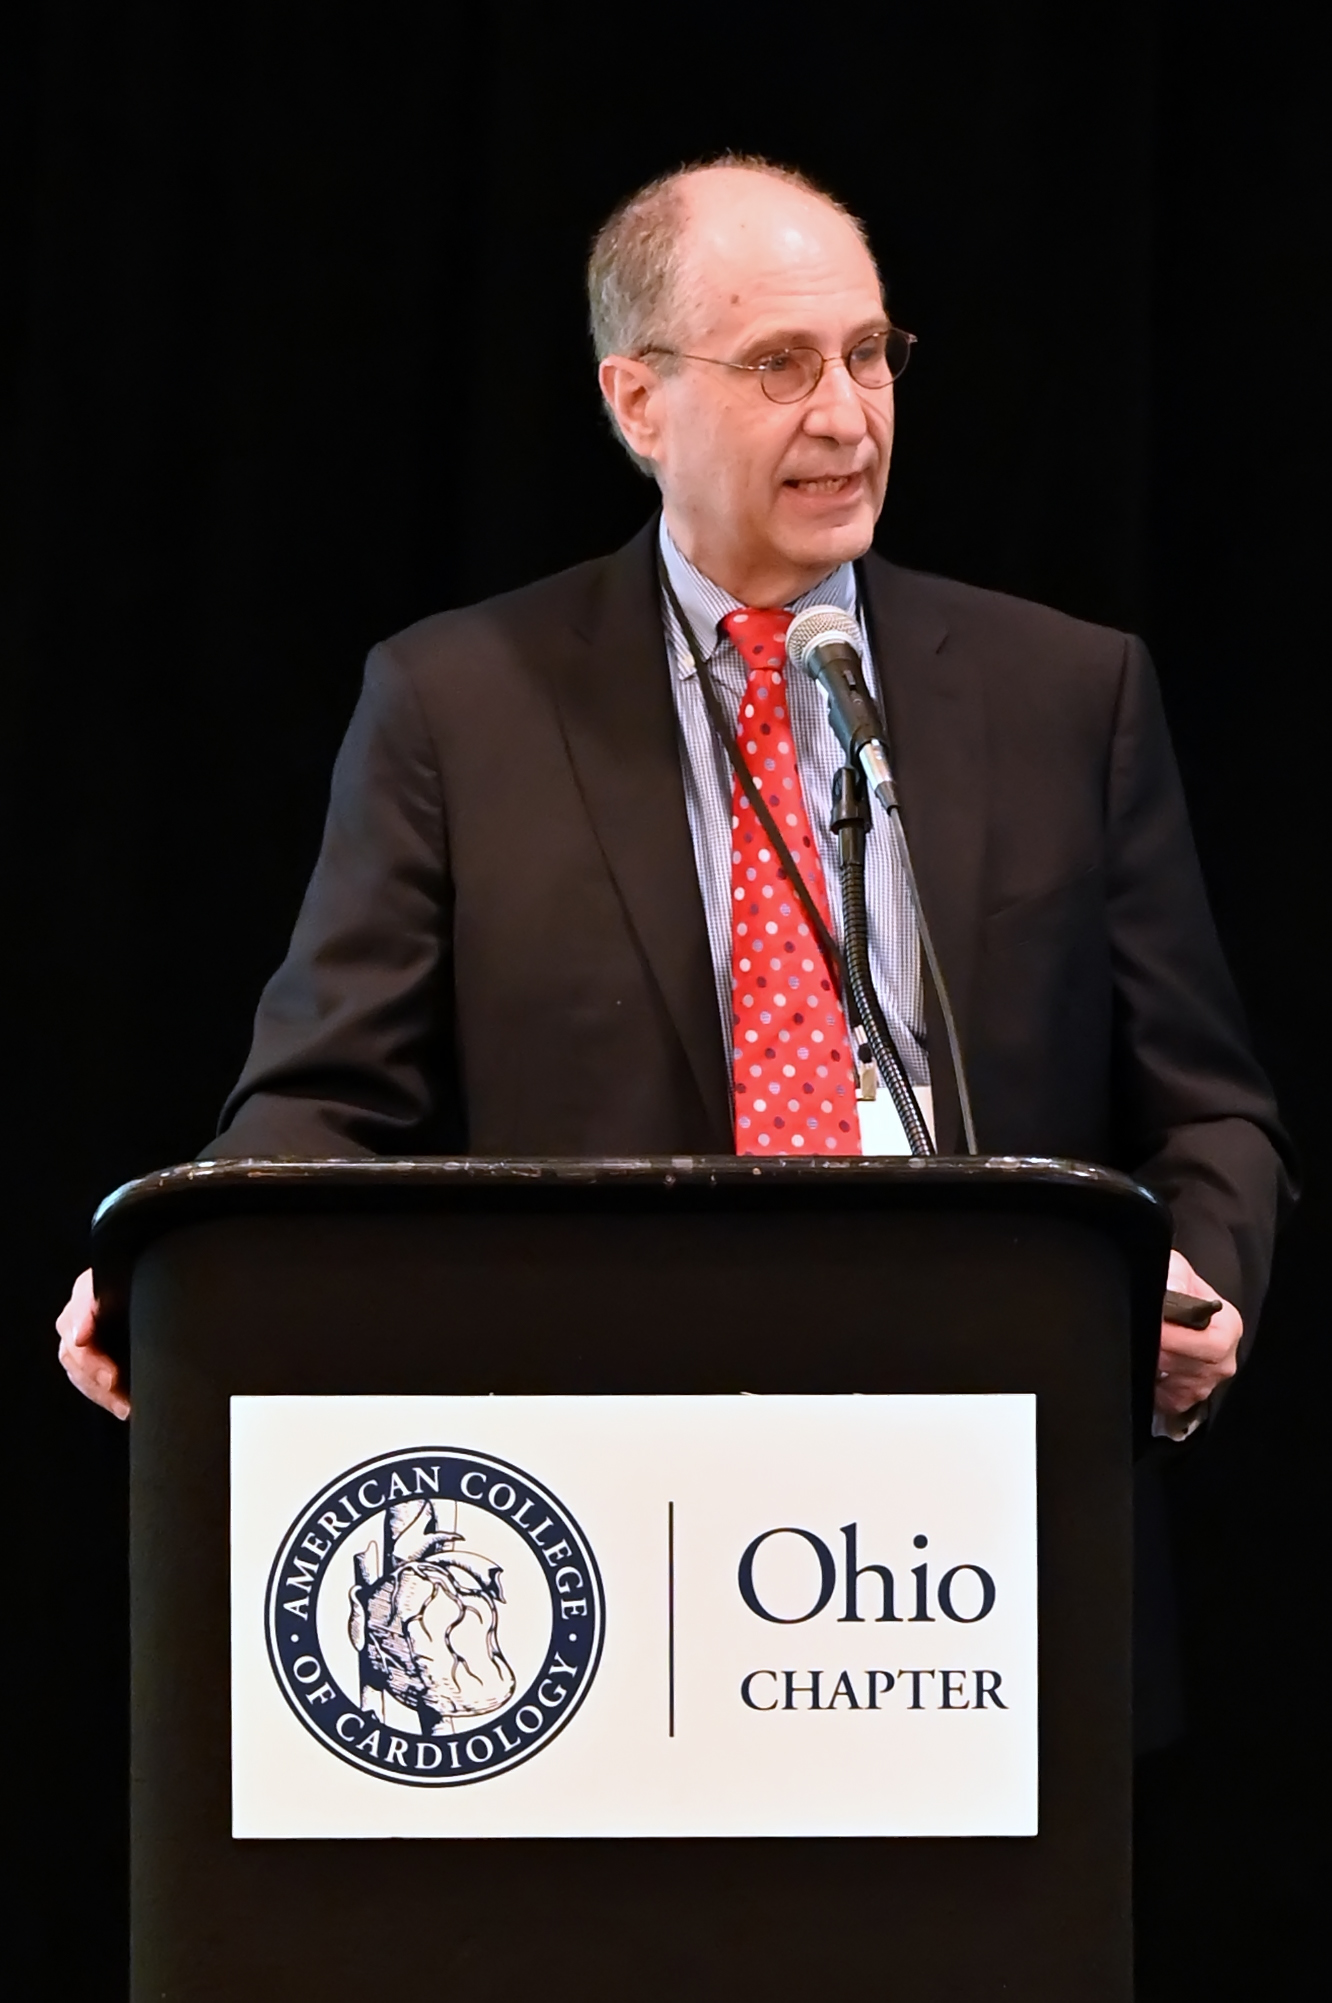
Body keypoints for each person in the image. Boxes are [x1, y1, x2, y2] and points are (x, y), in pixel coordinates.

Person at [58, 155, 1291, 1441]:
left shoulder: (1066, 691)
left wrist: (1192, 1279)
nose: (847, 417)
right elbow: (326, 1100)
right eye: (781, 366)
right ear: (639, 402)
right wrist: (181, 1276)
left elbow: (1210, 1106)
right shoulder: (459, 704)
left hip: (991, 1441)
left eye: (868, 354)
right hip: (614, 1445)